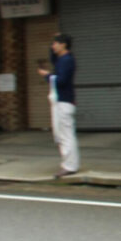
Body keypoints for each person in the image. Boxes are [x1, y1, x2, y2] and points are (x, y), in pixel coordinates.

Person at [36, 33, 79, 177]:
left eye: (55, 43)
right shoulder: (62, 59)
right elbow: (53, 59)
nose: (53, 46)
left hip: (64, 101)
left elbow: (61, 80)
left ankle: (70, 165)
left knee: (66, 135)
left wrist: (47, 75)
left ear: (63, 45)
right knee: (62, 134)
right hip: (61, 101)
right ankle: (68, 163)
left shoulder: (67, 60)